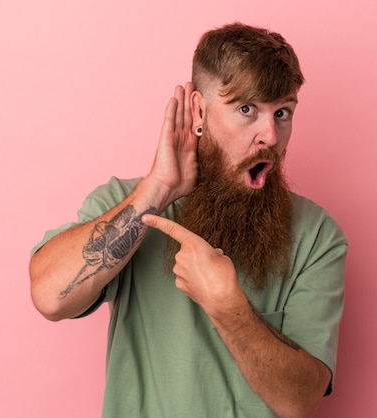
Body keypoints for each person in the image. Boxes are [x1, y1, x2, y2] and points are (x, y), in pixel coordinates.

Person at [30, 22, 347, 418]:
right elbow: (49, 297)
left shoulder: (318, 236)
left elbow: (300, 401)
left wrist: (228, 307)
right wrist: (158, 187)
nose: (271, 135)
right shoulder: (128, 203)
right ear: (199, 110)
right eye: (246, 109)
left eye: (282, 112)